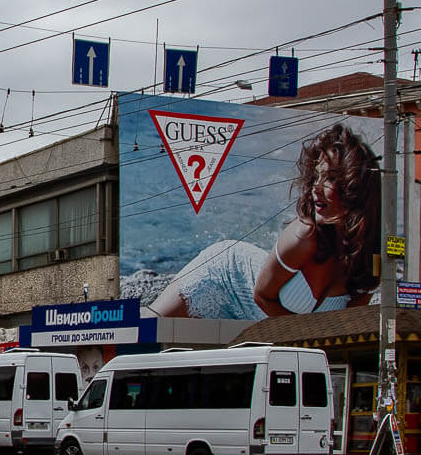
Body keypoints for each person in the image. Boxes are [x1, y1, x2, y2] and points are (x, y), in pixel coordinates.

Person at [147, 123, 380, 319]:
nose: (314, 188)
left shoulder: (369, 263)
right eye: (316, 176)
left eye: (329, 178)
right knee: (136, 335)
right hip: (223, 278)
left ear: (354, 187)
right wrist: (304, 339)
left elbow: (345, 325)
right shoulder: (304, 236)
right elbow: (262, 296)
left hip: (259, 320)